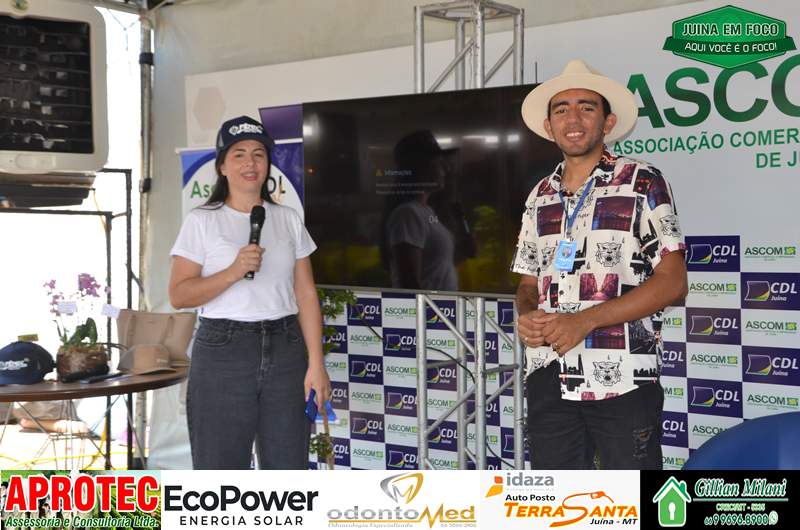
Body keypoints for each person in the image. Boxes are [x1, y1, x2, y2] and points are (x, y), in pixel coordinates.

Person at [511, 60, 687, 470]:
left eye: (586, 107)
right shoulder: (539, 195)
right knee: (558, 498)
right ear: (549, 126)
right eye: (561, 109)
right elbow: (527, 283)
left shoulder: (642, 182)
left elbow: (674, 282)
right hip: (549, 374)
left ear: (608, 122)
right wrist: (527, 314)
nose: (573, 119)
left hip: (622, 378)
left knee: (633, 497)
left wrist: (585, 321)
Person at [168, 115, 330, 469]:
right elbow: (179, 295)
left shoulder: (287, 218)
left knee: (288, 469)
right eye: (238, 154)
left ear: (268, 163)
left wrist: (316, 364)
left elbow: (305, 294)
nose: (250, 163)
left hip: (286, 348)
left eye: (259, 154)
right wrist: (233, 272)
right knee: (221, 470)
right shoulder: (202, 220)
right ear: (222, 166)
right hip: (224, 350)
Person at [382, 130, 475, 291]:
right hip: (429, 307)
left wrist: (462, 252)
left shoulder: (426, 212)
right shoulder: (408, 215)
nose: (446, 170)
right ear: (422, 167)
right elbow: (410, 283)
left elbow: (435, 266)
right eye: (440, 164)